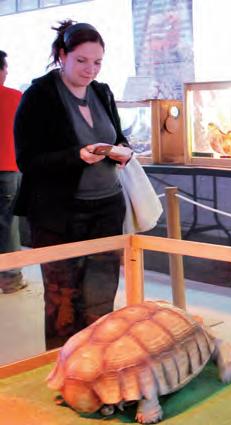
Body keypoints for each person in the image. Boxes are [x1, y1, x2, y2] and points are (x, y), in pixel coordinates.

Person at [13, 21, 134, 349]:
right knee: (62, 300)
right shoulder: (39, 96)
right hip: (58, 215)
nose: (90, 69)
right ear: (62, 55)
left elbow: (117, 136)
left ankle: (98, 363)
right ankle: (64, 365)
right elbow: (28, 160)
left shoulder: (102, 92)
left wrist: (122, 151)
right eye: (81, 60)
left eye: (97, 62)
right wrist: (76, 155)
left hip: (107, 209)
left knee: (101, 297)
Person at [0, 50, 26, 294]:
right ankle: (10, 279)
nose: (7, 72)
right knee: (7, 225)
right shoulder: (15, 97)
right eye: (5, 67)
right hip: (7, 170)